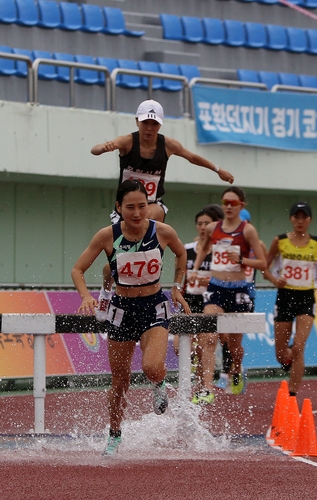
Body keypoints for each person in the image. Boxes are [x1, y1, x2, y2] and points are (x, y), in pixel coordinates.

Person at [71, 180, 190, 456]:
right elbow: (77, 269)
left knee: (151, 365)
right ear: (118, 208)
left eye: (142, 206)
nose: (137, 213)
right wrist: (86, 296)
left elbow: (182, 253)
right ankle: (114, 435)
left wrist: (177, 287)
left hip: (155, 306)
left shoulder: (163, 232)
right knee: (120, 381)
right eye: (130, 207)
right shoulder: (107, 236)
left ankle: (158, 384)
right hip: (121, 310)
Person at [90, 99, 235, 321]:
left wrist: (217, 169)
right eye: (146, 123)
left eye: (154, 124)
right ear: (137, 121)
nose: (149, 128)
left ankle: (149, 248)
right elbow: (95, 150)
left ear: (160, 125)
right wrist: (104, 147)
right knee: (114, 264)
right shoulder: (128, 141)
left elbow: (192, 157)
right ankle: (105, 292)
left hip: (154, 204)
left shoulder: (168, 145)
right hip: (124, 212)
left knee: (149, 212)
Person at [190, 187, 267, 404]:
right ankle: (206, 388)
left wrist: (242, 260)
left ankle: (235, 369)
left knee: (233, 345)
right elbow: (203, 249)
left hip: (239, 290)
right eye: (226, 202)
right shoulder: (214, 227)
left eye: (234, 203)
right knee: (210, 336)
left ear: (242, 205)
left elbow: (262, 263)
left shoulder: (248, 231)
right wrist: (196, 269)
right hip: (215, 288)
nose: (229, 206)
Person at [264, 202, 317, 397]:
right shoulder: (280, 241)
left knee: (299, 347)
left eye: (304, 217)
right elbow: (264, 268)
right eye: (296, 217)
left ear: (310, 220)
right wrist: (276, 280)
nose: (300, 221)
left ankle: (292, 393)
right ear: (291, 219)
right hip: (284, 296)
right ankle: (288, 357)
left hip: (306, 297)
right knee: (282, 355)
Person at [172, 206, 224, 390]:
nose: (202, 227)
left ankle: (204, 387)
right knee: (179, 346)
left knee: (206, 345)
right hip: (190, 300)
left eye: (207, 223)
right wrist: (177, 288)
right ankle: (198, 379)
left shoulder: (220, 251)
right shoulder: (187, 249)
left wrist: (204, 278)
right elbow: (179, 273)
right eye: (199, 223)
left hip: (211, 301)